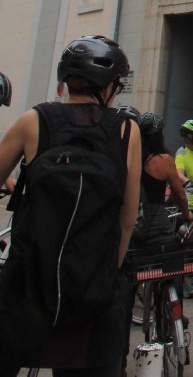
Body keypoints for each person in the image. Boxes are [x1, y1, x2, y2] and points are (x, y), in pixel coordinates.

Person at [0, 34, 141, 377]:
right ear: (108, 87)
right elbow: (127, 220)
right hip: (92, 299)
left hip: (28, 290)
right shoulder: (126, 131)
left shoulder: (34, 120)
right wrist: (105, 273)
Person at [121, 111, 192, 376]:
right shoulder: (164, 160)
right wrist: (187, 215)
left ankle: (119, 359)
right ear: (159, 134)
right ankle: (176, 311)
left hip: (134, 230)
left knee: (125, 293)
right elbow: (180, 195)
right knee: (175, 268)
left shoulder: (129, 158)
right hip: (159, 230)